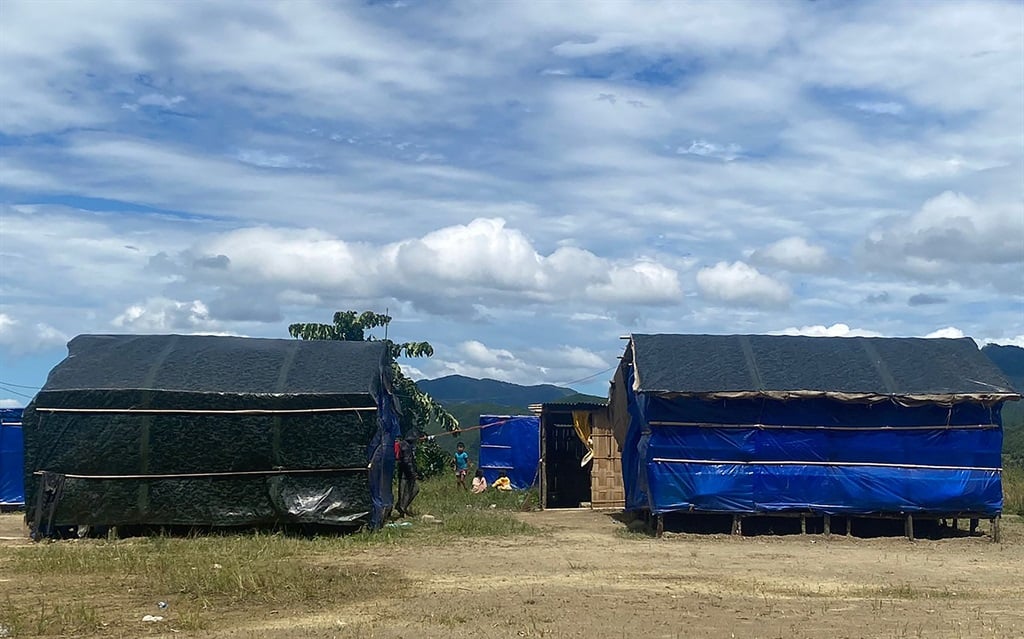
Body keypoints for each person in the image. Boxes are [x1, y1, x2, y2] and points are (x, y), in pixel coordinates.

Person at [395, 433, 420, 517]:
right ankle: (402, 507)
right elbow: (407, 461)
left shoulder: (403, 445)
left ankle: (401, 507)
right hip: (406, 474)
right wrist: (413, 473)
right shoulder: (407, 447)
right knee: (413, 489)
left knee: (403, 492)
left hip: (402, 472)